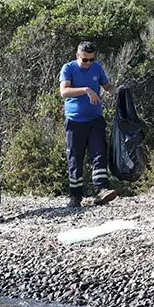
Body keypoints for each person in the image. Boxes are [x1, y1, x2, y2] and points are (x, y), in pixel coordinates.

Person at [59, 41, 119, 208]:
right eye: (85, 60)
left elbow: (106, 86)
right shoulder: (68, 69)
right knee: (75, 158)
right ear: (77, 55)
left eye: (91, 60)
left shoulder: (97, 68)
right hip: (75, 120)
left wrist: (118, 91)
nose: (88, 63)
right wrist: (85, 89)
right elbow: (64, 92)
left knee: (99, 153)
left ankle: (101, 190)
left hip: (95, 119)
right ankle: (75, 196)